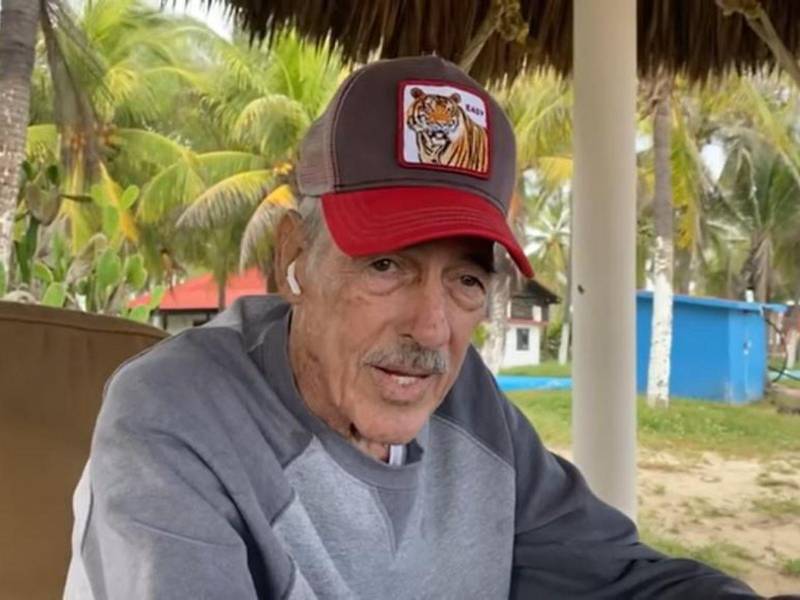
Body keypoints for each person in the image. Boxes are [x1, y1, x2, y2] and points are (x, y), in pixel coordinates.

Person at [65, 56, 765, 599]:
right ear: (294, 259)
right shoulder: (177, 416)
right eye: (386, 265)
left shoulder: (472, 410)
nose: (432, 329)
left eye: (466, 280)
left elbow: (624, 579)